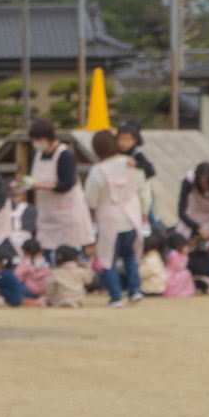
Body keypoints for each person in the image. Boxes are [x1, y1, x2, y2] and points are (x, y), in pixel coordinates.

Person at [85, 129, 144, 308]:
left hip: (110, 218)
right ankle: (135, 290)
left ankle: (116, 296)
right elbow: (141, 187)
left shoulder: (98, 170)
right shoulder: (131, 163)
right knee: (129, 255)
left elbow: (91, 198)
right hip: (131, 217)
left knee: (107, 258)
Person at [25, 119, 94, 254]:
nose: (36, 143)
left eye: (39, 140)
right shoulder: (35, 154)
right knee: (46, 252)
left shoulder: (64, 155)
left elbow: (67, 184)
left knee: (67, 254)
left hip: (67, 215)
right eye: (34, 140)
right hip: (46, 215)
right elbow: (30, 176)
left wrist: (41, 186)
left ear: (49, 138)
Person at [176, 162, 209, 282]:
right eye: (202, 183)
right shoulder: (189, 180)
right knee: (181, 242)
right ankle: (183, 276)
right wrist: (198, 228)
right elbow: (181, 213)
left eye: (208, 183)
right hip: (193, 214)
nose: (205, 186)